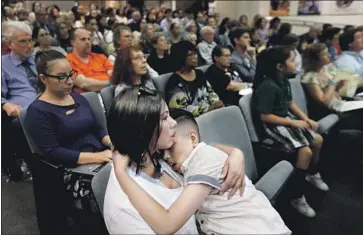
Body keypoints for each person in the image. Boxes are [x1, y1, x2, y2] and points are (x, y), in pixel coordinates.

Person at [112, 107, 291, 234]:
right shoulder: (194, 158)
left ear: (192, 137)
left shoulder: (204, 161)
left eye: (171, 146)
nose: (165, 156)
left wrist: (121, 174)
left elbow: (167, 225)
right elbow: (210, 147)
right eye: (161, 152)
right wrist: (234, 152)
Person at [104, 85, 245, 234]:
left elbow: (199, 148)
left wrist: (235, 153)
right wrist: (121, 174)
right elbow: (166, 226)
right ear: (144, 130)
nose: (174, 123)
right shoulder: (123, 207)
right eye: (164, 118)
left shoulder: (158, 152)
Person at [25, 50, 112, 230]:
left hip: (99, 156)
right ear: (43, 79)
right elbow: (53, 152)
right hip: (68, 170)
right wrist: (99, 157)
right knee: (113, 191)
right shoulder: (38, 112)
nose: (70, 81)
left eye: (71, 74)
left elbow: (97, 129)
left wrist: (111, 143)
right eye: (62, 77)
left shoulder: (78, 98)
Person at [252, 46, 329, 218]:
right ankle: (296, 195)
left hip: (285, 119)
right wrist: (292, 122)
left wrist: (305, 119)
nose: (296, 63)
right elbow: (265, 116)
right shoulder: (268, 86)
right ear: (279, 66)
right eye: (292, 61)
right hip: (273, 124)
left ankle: (311, 172)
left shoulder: (283, 79)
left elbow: (289, 103)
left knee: (317, 140)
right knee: (305, 152)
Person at [2, 21, 36, 181]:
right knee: (18, 123)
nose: (29, 45)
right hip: (23, 110)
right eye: (23, 41)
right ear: (10, 44)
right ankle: (35, 166)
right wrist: (5, 104)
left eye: (30, 40)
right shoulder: (3, 64)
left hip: (49, 102)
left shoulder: (38, 60)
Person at [301, 43, 363, 131]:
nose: (329, 55)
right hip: (327, 113)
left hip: (339, 106)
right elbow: (323, 101)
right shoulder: (310, 77)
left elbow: (333, 94)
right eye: (325, 54)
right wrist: (333, 83)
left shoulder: (326, 69)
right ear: (316, 59)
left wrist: (338, 87)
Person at [167, 41, 223, 117]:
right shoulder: (175, 82)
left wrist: (216, 103)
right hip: (194, 120)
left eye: (195, 53)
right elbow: (181, 110)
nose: (195, 57)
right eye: (190, 55)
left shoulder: (199, 73)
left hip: (212, 113)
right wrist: (209, 108)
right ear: (181, 57)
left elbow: (210, 92)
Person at [67, 28, 113, 92]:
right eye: (83, 39)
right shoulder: (68, 61)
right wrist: (111, 83)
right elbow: (83, 83)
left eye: (89, 39)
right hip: (90, 97)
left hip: (111, 92)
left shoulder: (101, 57)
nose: (88, 42)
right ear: (73, 42)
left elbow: (114, 75)